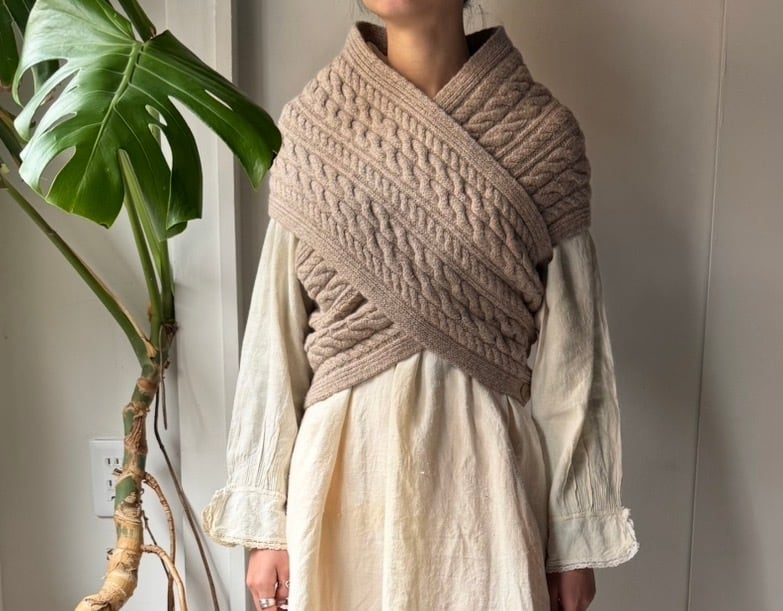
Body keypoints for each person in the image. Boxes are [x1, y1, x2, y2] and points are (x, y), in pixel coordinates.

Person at [202, 1, 640, 610]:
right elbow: (273, 335)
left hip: (486, 487)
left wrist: (575, 537)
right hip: (341, 481)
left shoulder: (542, 137)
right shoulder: (314, 128)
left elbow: (575, 358)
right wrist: (265, 521)